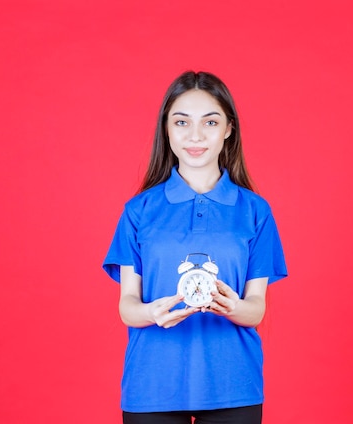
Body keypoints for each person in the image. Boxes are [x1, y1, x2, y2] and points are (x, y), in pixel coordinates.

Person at [103, 71, 287, 424]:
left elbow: (256, 310)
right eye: (182, 122)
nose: (196, 135)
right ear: (167, 129)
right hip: (152, 384)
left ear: (228, 129)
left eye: (211, 121)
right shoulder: (139, 210)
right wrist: (151, 313)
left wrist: (233, 306)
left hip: (233, 384)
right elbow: (128, 306)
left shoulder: (254, 211)